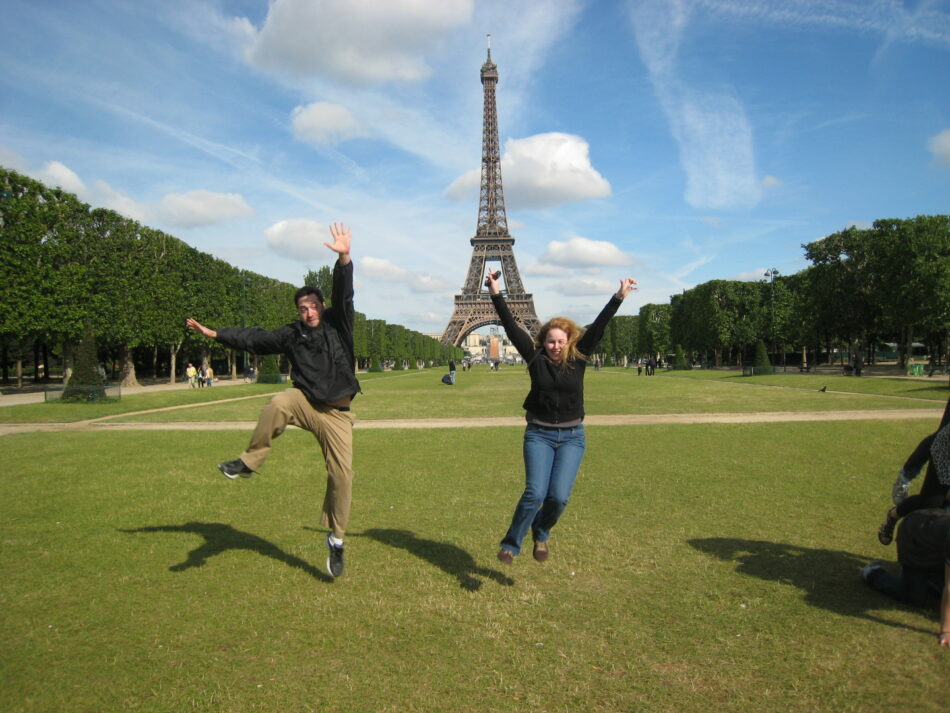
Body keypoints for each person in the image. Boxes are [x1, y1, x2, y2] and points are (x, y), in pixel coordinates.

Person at [185, 222, 360, 578]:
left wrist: (344, 259)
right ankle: (249, 462)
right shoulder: (291, 335)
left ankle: (337, 540)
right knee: (279, 401)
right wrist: (215, 333)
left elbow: (344, 295)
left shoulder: (338, 325)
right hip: (306, 403)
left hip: (338, 414)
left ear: (322, 307)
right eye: (302, 308)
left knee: (342, 476)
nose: (308, 312)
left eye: (313, 306)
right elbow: (255, 338)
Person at [487, 269, 638, 564]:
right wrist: (495, 292)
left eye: (560, 341)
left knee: (559, 497)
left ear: (569, 341)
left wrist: (618, 298)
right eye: (551, 341)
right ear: (543, 341)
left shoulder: (579, 359)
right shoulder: (534, 358)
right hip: (539, 434)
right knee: (534, 493)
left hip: (572, 437)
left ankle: (541, 532)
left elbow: (599, 328)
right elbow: (509, 325)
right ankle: (511, 544)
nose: (555, 347)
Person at [862, 507, 950, 648]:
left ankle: (927, 578)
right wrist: (946, 630)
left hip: (937, 540)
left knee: (938, 593)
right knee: (914, 597)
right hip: (914, 536)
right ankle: (873, 573)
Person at [878, 396, 950, 546]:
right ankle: (894, 514)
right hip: (945, 454)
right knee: (931, 506)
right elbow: (939, 438)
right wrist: (907, 474)